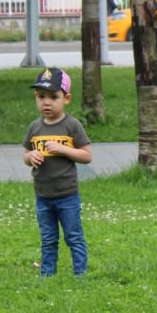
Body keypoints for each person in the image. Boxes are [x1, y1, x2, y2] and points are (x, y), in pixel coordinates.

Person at [22, 68, 93, 277]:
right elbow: (25, 154)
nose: (47, 102)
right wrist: (30, 157)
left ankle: (80, 273)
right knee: (48, 238)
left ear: (66, 98)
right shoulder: (35, 127)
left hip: (67, 195)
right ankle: (47, 274)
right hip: (43, 196)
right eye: (41, 96)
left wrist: (64, 149)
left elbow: (87, 155)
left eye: (54, 97)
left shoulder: (71, 125)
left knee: (73, 236)